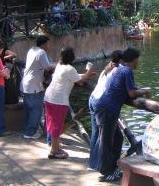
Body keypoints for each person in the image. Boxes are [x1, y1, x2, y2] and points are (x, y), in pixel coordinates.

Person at [94, 48, 151, 182]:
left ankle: (113, 168)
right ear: (134, 59)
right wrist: (145, 90)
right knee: (106, 141)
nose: (138, 62)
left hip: (106, 108)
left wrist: (139, 91)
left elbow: (127, 89)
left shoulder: (121, 69)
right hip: (107, 109)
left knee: (118, 138)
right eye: (138, 59)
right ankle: (107, 172)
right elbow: (131, 93)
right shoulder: (127, 71)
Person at [44, 47, 95, 159]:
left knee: (52, 123)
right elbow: (81, 79)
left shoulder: (59, 66)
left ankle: (56, 147)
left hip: (49, 97)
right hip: (59, 100)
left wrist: (84, 75)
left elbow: (74, 77)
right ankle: (53, 151)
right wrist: (89, 70)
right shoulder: (70, 69)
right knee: (57, 125)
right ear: (72, 57)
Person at [88, 50, 123, 171]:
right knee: (104, 136)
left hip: (92, 99)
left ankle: (92, 164)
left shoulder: (107, 68)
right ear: (121, 60)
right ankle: (104, 166)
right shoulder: (119, 70)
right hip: (101, 103)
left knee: (95, 133)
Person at [21, 35, 55, 139]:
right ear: (44, 44)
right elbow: (47, 67)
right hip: (34, 85)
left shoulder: (32, 50)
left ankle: (27, 130)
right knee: (36, 110)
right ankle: (30, 132)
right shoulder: (41, 52)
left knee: (28, 109)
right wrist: (59, 64)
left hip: (27, 84)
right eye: (48, 44)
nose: (49, 46)